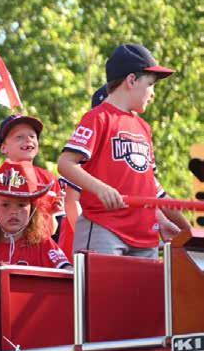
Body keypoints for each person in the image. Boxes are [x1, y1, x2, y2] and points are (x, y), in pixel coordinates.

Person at [58, 44, 190, 258]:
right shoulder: (98, 118)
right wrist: (101, 189)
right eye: (150, 84)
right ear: (131, 80)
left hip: (145, 236)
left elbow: (149, 187)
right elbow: (65, 163)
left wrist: (175, 226)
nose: (153, 94)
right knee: (104, 282)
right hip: (105, 228)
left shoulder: (144, 128)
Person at [0, 162, 71, 269]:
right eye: (5, 205)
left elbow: (67, 271)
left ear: (32, 209)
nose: (14, 211)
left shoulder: (43, 244)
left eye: (21, 205)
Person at [0, 114, 64, 238]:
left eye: (32, 136)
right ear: (3, 147)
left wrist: (53, 213)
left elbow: (53, 230)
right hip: (3, 245)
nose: (28, 140)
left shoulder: (49, 179)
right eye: (19, 137)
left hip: (39, 245)